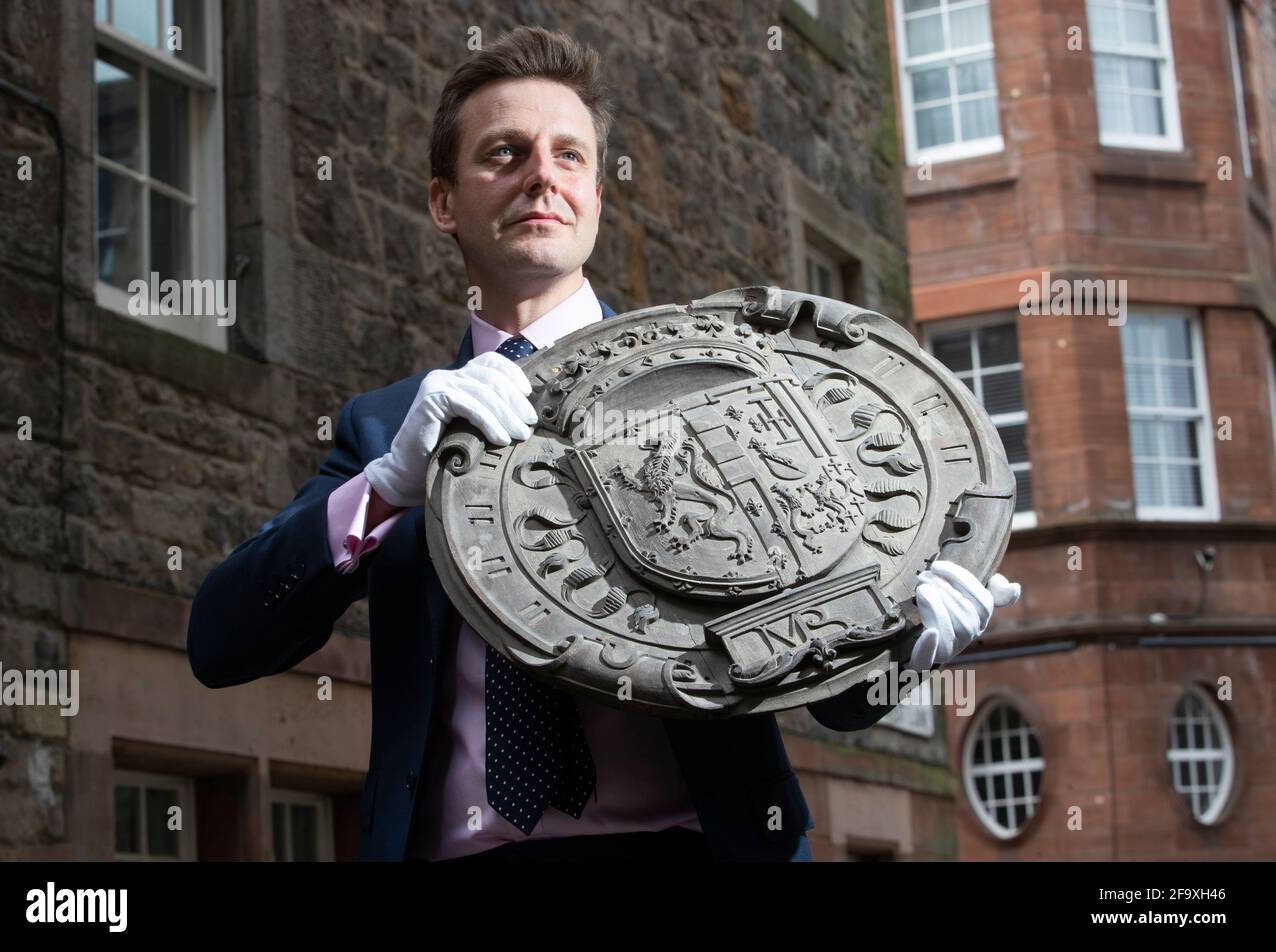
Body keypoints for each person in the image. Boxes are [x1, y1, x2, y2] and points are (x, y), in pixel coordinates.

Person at [187, 25, 1020, 863]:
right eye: (504, 154)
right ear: (444, 202)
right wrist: (387, 487)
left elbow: (832, 699)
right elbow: (221, 645)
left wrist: (899, 652)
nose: (541, 176)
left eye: (569, 155)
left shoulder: (729, 381)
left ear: (595, 194)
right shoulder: (388, 428)